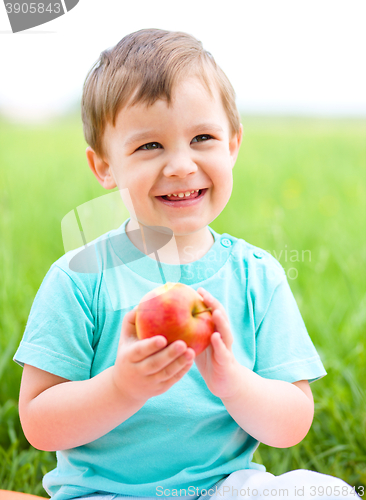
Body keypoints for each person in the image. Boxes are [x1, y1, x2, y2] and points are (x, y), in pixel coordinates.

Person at [13, 29, 362, 500]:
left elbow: (292, 424)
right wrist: (122, 386)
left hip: (224, 488)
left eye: (202, 137)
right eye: (149, 146)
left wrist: (231, 382)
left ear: (233, 144)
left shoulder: (256, 275)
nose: (181, 165)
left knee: (324, 493)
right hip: (107, 495)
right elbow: (38, 424)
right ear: (104, 167)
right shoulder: (81, 276)